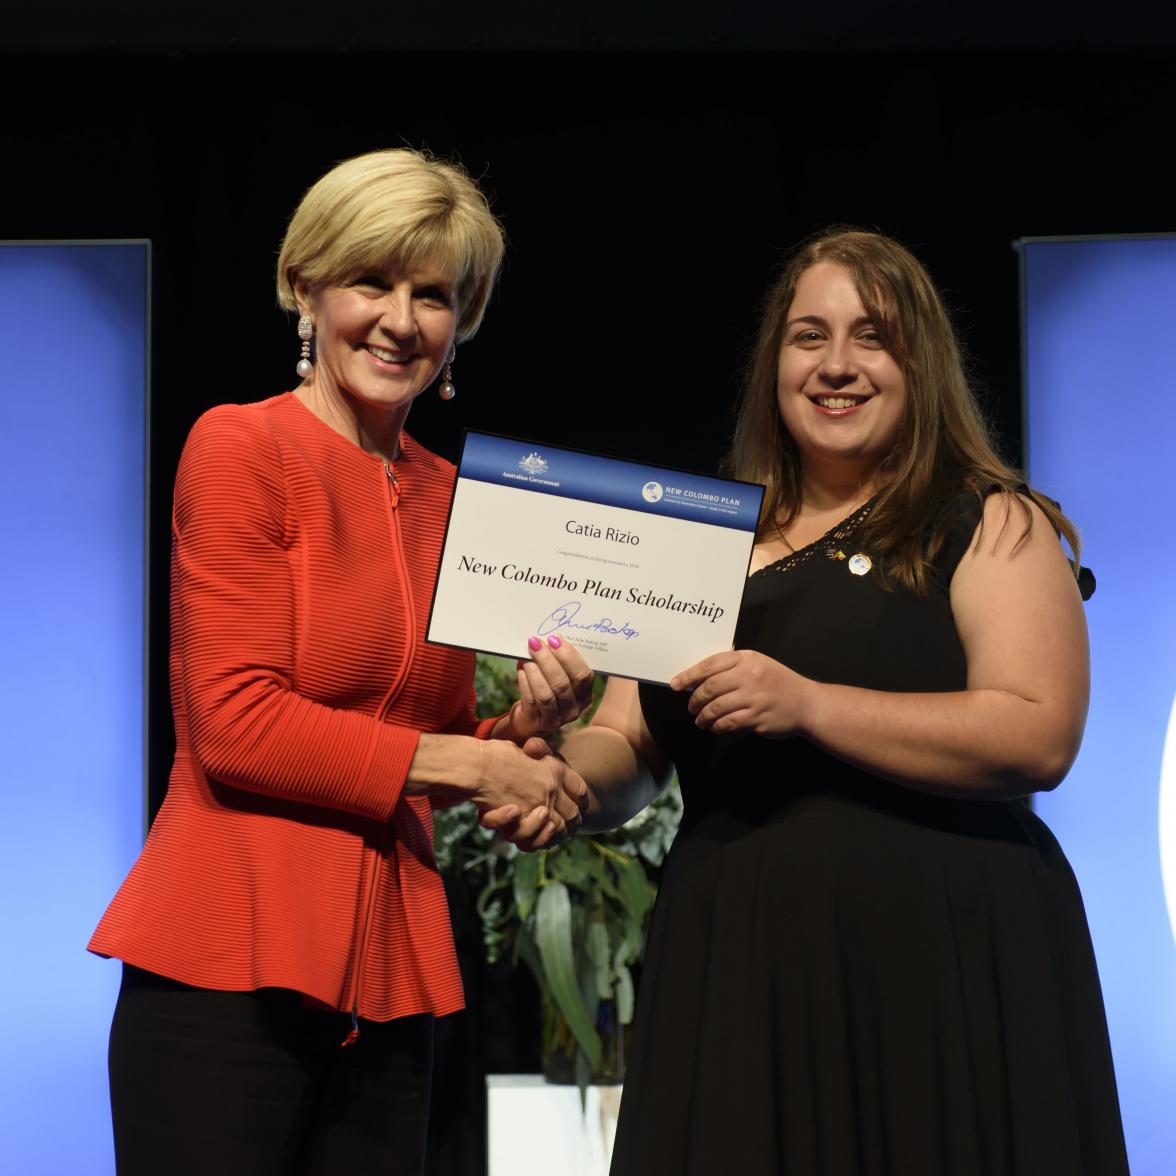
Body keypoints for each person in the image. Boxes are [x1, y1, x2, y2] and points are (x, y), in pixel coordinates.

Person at [540, 228, 1129, 1174]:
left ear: (920, 363)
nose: (838, 365)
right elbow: (628, 746)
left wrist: (810, 705)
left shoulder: (988, 519)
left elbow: (1037, 731)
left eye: (873, 337)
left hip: (941, 958)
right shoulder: (693, 541)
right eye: (809, 336)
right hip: (741, 958)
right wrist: (548, 774)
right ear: (774, 361)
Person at [89, 148, 593, 1176]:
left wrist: (524, 741)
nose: (401, 319)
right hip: (224, 972)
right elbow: (237, 723)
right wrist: (472, 766)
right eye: (371, 281)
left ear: (465, 320)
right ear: (303, 287)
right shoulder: (238, 447)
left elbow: (437, 740)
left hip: (390, 980)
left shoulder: (454, 497)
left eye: (434, 294)